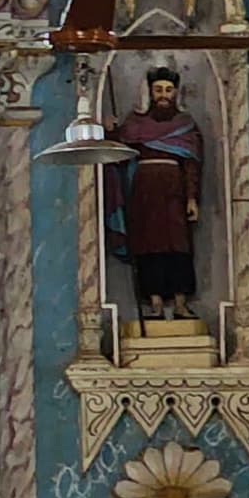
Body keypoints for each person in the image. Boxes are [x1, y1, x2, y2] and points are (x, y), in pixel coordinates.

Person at [104, 65, 203, 321]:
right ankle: (155, 302)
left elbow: (191, 165)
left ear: (176, 93)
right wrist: (112, 131)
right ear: (150, 92)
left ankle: (181, 303)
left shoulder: (185, 125)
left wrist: (192, 198)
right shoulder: (135, 123)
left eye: (168, 90)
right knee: (148, 246)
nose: (163, 95)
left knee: (179, 246)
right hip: (143, 192)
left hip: (173, 191)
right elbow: (118, 152)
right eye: (158, 89)